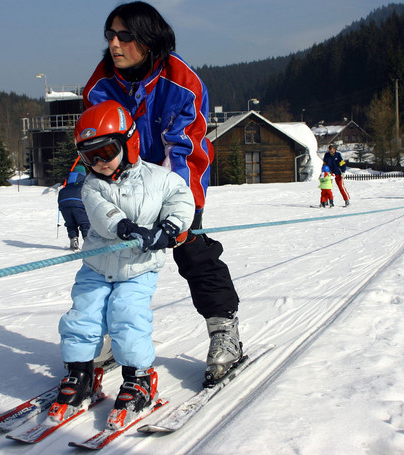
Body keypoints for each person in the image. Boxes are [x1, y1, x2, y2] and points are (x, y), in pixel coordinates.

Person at [82, 1, 242, 385]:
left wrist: (177, 212)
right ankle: (114, 336)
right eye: (110, 36)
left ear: (149, 39)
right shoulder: (100, 85)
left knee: (193, 253)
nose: (115, 44)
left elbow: (184, 145)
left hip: (175, 181)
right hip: (120, 183)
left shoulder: (181, 82)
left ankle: (224, 331)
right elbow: (96, 145)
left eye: (125, 36)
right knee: (108, 263)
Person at [49, 101, 194, 429]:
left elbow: (181, 200)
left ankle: (139, 377)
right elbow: (101, 213)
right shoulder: (92, 184)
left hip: (138, 269)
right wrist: (124, 226)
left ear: (129, 143)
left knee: (128, 317)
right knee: (82, 315)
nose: (99, 162)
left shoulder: (159, 178)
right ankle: (80, 372)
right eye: (90, 157)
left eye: (106, 151)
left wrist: (169, 227)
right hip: (97, 267)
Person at [58, 165, 90, 250]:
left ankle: (73, 240)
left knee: (71, 224)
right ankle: (87, 241)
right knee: (84, 223)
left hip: (64, 204)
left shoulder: (68, 181)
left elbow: (61, 193)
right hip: (78, 204)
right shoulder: (85, 181)